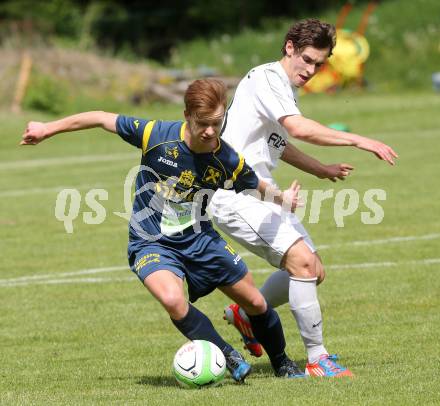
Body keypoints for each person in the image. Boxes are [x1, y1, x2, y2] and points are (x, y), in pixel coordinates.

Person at [20, 78, 308, 381]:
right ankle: (227, 356)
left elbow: (253, 183)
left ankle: (282, 362)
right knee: (172, 300)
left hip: (200, 239)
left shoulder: (225, 158)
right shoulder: (155, 135)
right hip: (150, 241)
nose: (211, 131)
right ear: (187, 116)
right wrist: (47, 128)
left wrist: (282, 198)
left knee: (256, 302)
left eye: (217, 122)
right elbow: (101, 118)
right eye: (203, 123)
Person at [210, 19, 398, 377]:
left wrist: (320, 169)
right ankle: (317, 359)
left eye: (320, 64)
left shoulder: (281, 86)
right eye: (307, 60)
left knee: (314, 270)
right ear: (289, 47)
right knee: (303, 264)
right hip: (233, 192)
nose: (311, 70)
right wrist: (360, 140)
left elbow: (278, 143)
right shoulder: (267, 78)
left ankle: (248, 312)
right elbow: (296, 127)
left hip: (260, 189)